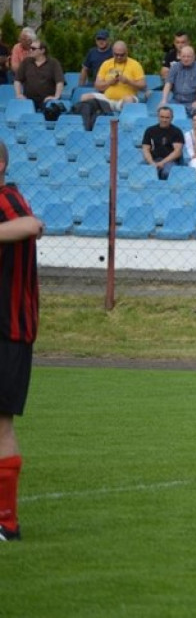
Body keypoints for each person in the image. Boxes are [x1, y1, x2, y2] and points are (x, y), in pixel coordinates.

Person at [0, 138, 43, 542]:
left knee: (1, 424)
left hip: (7, 332)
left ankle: (6, 521)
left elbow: (33, 225)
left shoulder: (7, 196)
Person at [79, 40, 146, 113]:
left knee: (128, 100)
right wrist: (109, 82)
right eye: (116, 54)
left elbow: (143, 86)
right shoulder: (106, 64)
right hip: (107, 99)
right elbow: (97, 85)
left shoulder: (135, 65)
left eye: (122, 55)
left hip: (124, 100)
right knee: (85, 97)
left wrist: (128, 81)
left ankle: (123, 121)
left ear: (127, 52)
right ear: (112, 52)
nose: (119, 57)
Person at [13, 40, 64, 113]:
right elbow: (17, 80)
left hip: (47, 100)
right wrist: (18, 94)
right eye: (30, 48)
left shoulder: (54, 63)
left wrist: (56, 96)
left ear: (42, 50)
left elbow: (59, 82)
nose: (30, 50)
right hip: (28, 100)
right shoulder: (26, 62)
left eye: (33, 48)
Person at [161, 45, 196, 115]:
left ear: (194, 57)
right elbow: (168, 84)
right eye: (183, 56)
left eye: (188, 56)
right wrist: (164, 100)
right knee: (163, 110)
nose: (186, 59)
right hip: (176, 100)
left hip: (192, 101)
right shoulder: (174, 67)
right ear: (180, 56)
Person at [142, 107, 185, 180]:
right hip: (154, 159)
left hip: (170, 161)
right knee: (142, 172)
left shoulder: (177, 131)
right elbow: (145, 149)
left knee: (166, 173)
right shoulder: (150, 130)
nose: (164, 120)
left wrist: (162, 162)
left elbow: (178, 152)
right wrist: (152, 163)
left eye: (167, 117)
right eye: (162, 117)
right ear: (157, 117)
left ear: (172, 118)